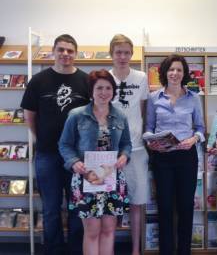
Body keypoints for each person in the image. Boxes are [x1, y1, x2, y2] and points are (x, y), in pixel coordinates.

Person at [21, 34, 89, 255]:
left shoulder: (86, 81)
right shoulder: (38, 81)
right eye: (61, 49)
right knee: (50, 209)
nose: (65, 54)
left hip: (77, 157)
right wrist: (41, 139)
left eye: (70, 50)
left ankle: (76, 250)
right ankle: (54, 251)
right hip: (47, 154)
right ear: (54, 51)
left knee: (77, 207)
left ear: (75, 54)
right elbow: (29, 115)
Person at [59, 69, 131, 255]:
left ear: (113, 91)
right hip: (86, 179)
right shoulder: (77, 115)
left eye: (108, 88)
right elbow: (64, 145)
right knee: (91, 231)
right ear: (91, 90)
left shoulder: (120, 116)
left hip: (112, 180)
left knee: (108, 230)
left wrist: (124, 156)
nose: (104, 92)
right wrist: (74, 162)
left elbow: (126, 144)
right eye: (99, 88)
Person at [145, 54, 205, 255]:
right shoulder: (154, 98)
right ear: (164, 72)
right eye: (171, 69)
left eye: (179, 70)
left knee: (186, 207)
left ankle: (184, 251)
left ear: (184, 73)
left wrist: (194, 139)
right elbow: (148, 129)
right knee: (165, 207)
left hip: (187, 157)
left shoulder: (193, 98)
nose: (175, 73)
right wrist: (152, 143)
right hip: (162, 157)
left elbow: (200, 129)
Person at [108, 34, 149, 255]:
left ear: (132, 54)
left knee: (136, 202)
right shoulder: (105, 78)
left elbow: (143, 111)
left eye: (126, 52)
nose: (122, 57)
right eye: (118, 52)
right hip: (110, 151)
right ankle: (109, 248)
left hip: (137, 148)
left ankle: (135, 250)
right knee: (111, 203)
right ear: (111, 54)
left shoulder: (141, 77)